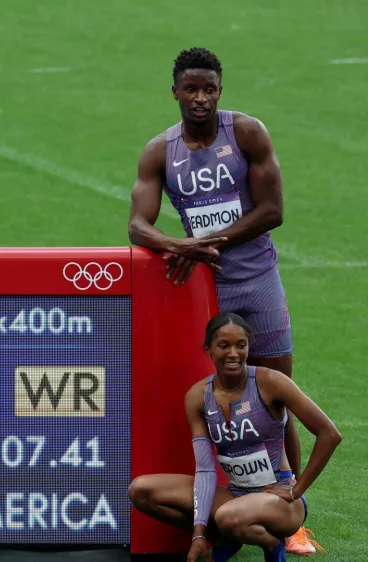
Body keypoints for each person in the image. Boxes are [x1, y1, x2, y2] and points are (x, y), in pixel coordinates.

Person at [126, 47, 316, 552]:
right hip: (205, 292)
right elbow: (137, 226)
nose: (201, 98)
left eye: (209, 88)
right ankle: (223, 509)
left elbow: (273, 210)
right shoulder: (160, 152)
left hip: (257, 284)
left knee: (278, 398)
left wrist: (207, 245)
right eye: (191, 89)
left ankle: (290, 516)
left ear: (220, 89)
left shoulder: (246, 133)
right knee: (216, 402)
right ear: (175, 93)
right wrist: (178, 245)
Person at [127, 313, 340, 561]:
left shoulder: (270, 382)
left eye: (241, 345)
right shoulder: (198, 397)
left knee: (227, 516)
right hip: (236, 495)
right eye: (224, 345)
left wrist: (296, 490)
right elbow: (205, 470)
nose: (233, 354)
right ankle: (221, 537)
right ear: (208, 349)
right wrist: (198, 535)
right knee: (140, 490)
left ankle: (272, 545)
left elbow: (329, 434)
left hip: (279, 498)